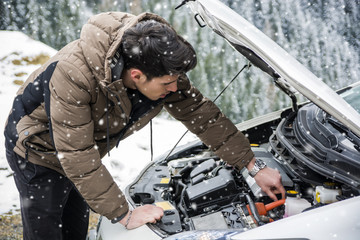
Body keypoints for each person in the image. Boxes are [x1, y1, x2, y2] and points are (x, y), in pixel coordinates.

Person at [4, 11, 285, 239]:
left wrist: (252, 165)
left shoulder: (157, 64)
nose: (174, 88)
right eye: (167, 84)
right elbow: (76, 155)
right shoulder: (74, 75)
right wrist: (124, 214)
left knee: (76, 227)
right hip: (36, 149)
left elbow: (202, 114)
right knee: (47, 230)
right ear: (137, 75)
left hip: (80, 150)